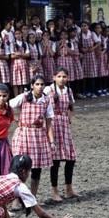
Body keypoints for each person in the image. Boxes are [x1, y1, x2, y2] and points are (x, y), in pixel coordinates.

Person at [10, 75, 54, 197]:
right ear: (32, 85)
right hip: (24, 134)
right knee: (19, 166)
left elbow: (49, 122)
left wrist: (52, 141)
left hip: (38, 136)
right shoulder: (24, 97)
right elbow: (8, 105)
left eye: (42, 84)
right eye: (37, 84)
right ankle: (16, 200)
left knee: (36, 168)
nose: (40, 87)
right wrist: (14, 118)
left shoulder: (46, 100)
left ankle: (32, 197)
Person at [42, 68, 79, 203]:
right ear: (54, 77)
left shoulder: (68, 90)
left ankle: (69, 188)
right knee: (56, 159)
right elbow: (42, 106)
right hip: (53, 124)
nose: (62, 79)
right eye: (59, 76)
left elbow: (70, 107)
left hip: (64, 124)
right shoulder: (48, 90)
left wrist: (69, 119)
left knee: (71, 158)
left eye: (64, 76)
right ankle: (54, 191)